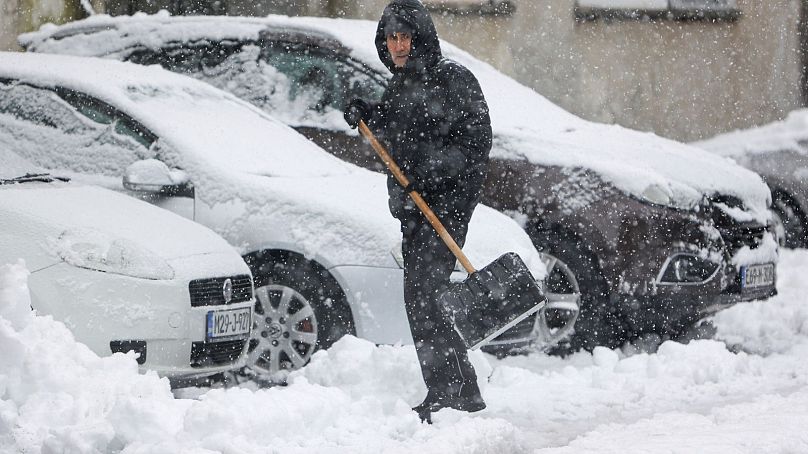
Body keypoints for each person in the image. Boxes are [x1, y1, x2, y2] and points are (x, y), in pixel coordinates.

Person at [343, 0, 493, 422]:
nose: (398, 45)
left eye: (405, 35)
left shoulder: (453, 80)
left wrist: (431, 172)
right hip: (413, 211)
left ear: (421, 36)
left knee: (425, 298)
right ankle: (459, 389)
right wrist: (366, 111)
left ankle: (451, 392)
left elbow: (475, 144)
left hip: (445, 208)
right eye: (391, 37)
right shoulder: (401, 85)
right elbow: (393, 129)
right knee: (424, 299)